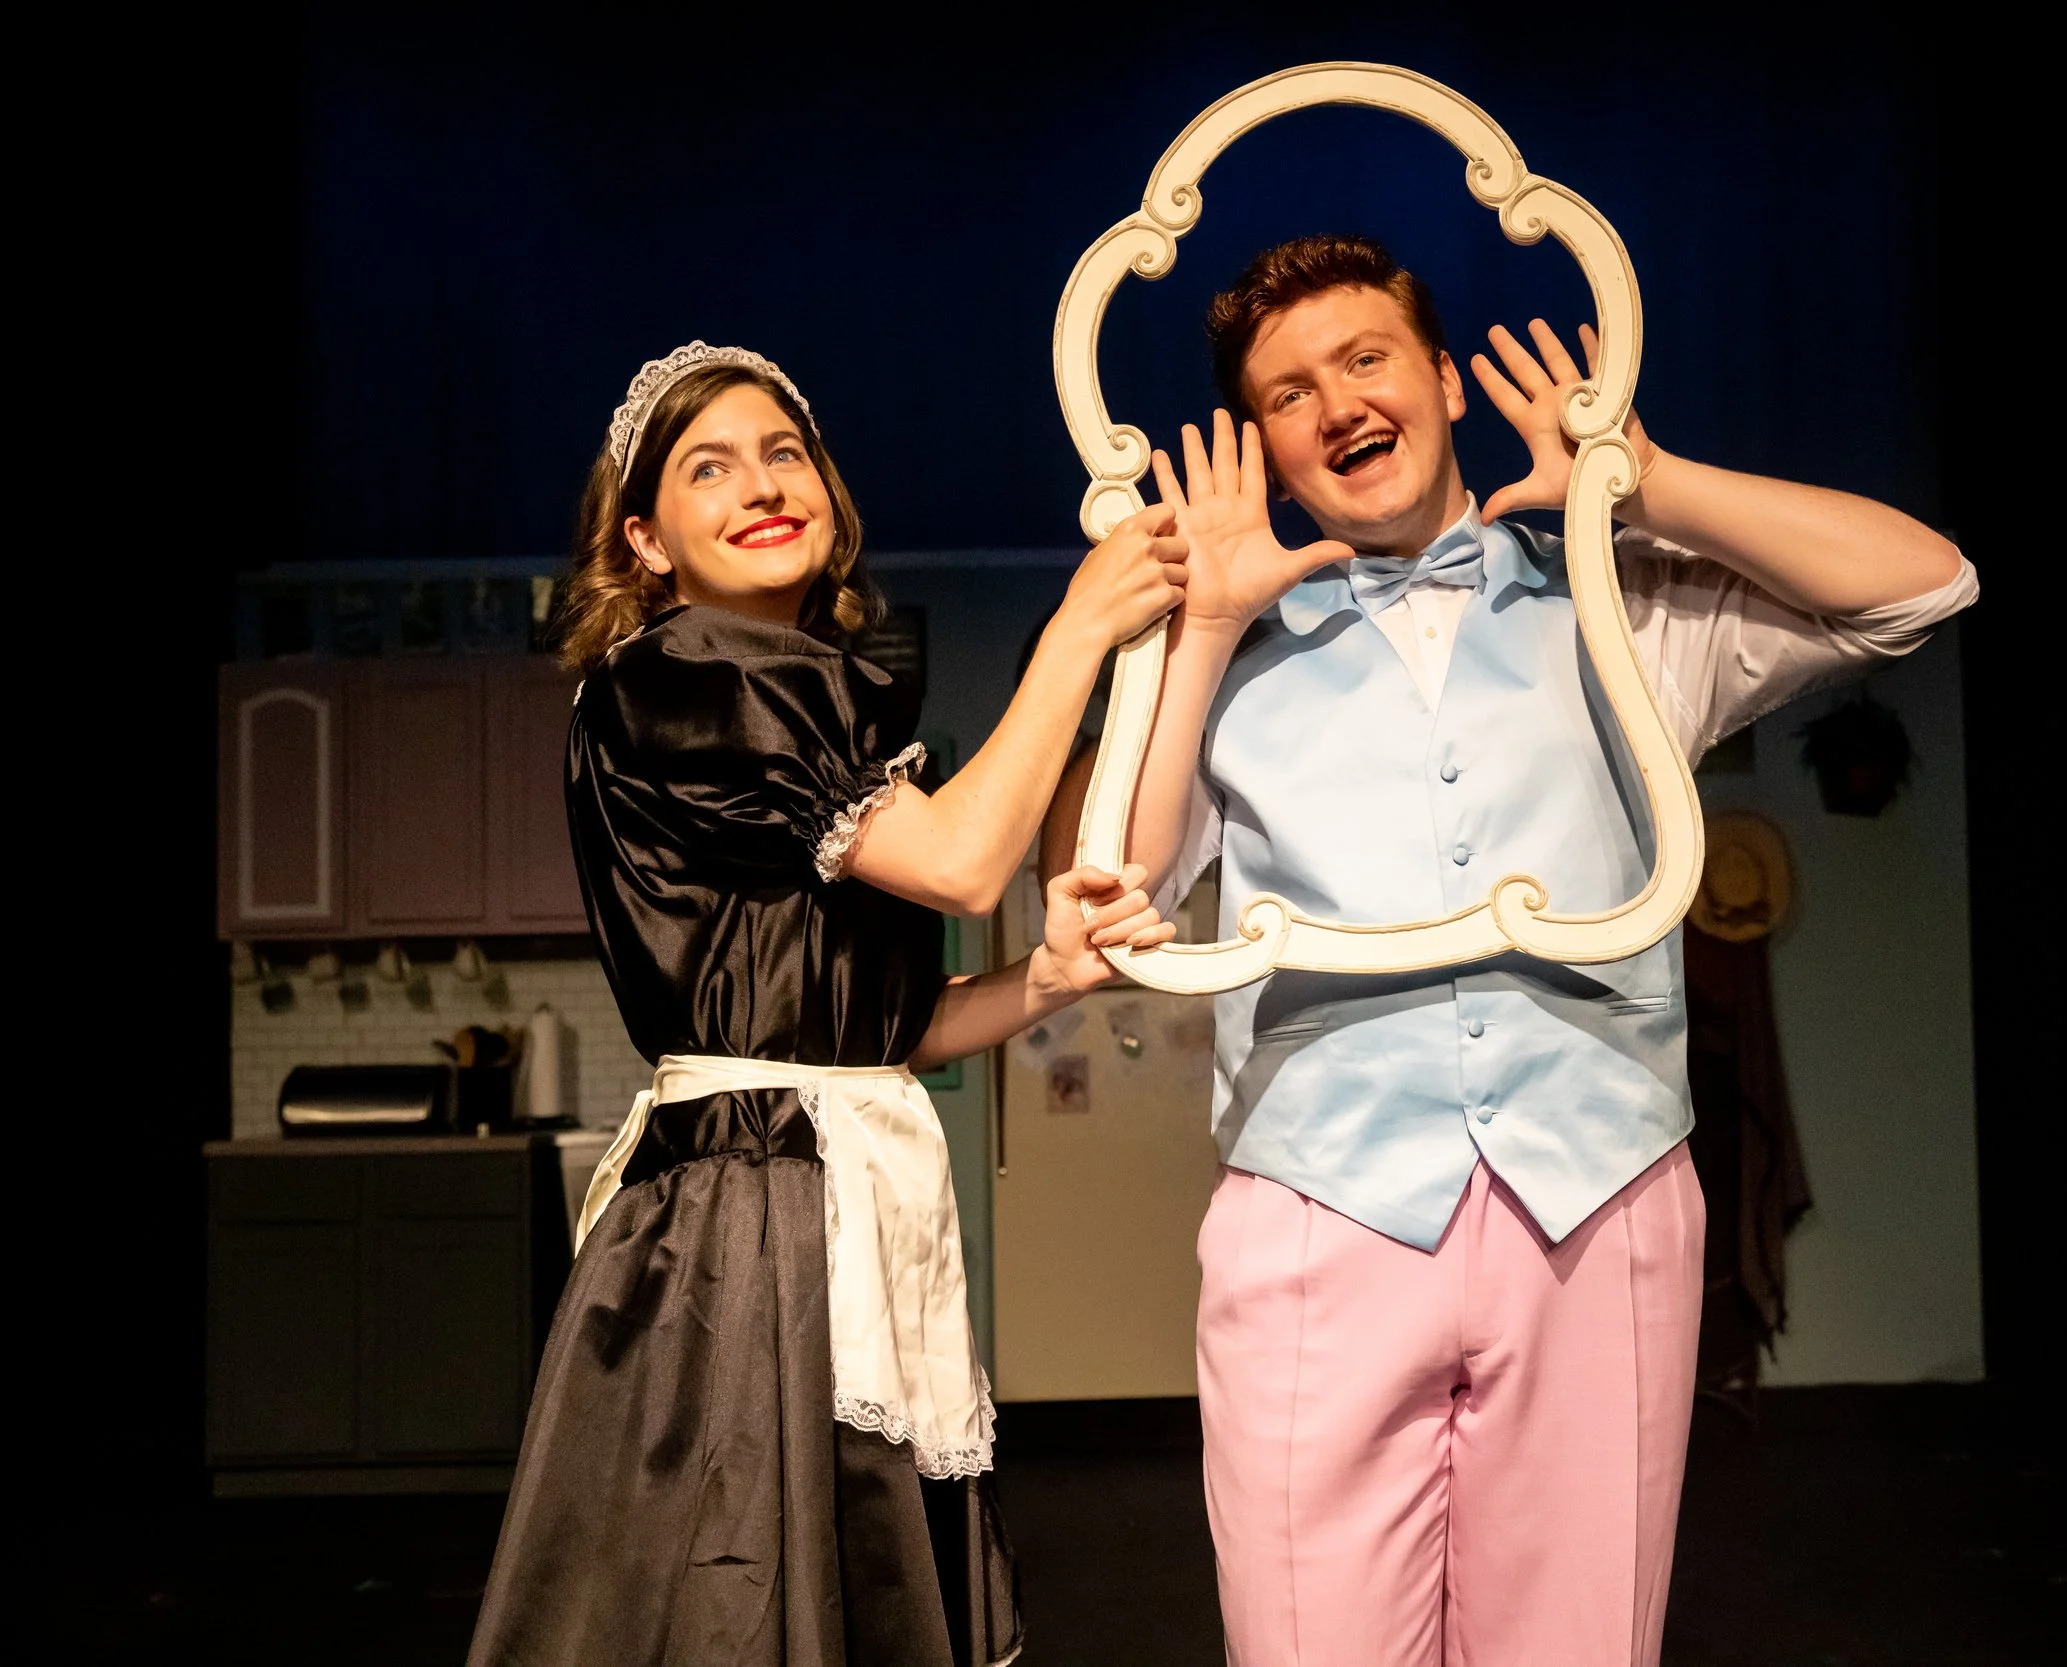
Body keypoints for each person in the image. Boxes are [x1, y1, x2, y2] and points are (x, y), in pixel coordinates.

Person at [1118, 236, 1977, 1665]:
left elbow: (1922, 585)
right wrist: (1203, 628)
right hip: (1324, 1206)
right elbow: (1118, 896)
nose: (1337, 404)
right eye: (1288, 393)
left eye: (1366, 359)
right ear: (1264, 444)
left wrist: (1653, 484)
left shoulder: (1614, 597)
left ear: (1446, 381)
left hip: (1598, 1197)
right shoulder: (1231, 651)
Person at [468, 341, 1185, 1667]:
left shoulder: (787, 703)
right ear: (646, 540)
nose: (761, 485)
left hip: (816, 1183)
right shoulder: (687, 674)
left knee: (831, 1594)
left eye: (783, 453)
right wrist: (1077, 631)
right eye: (708, 468)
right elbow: (964, 864)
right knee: (739, 1595)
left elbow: (882, 1038)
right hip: (751, 1216)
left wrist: (1044, 979)